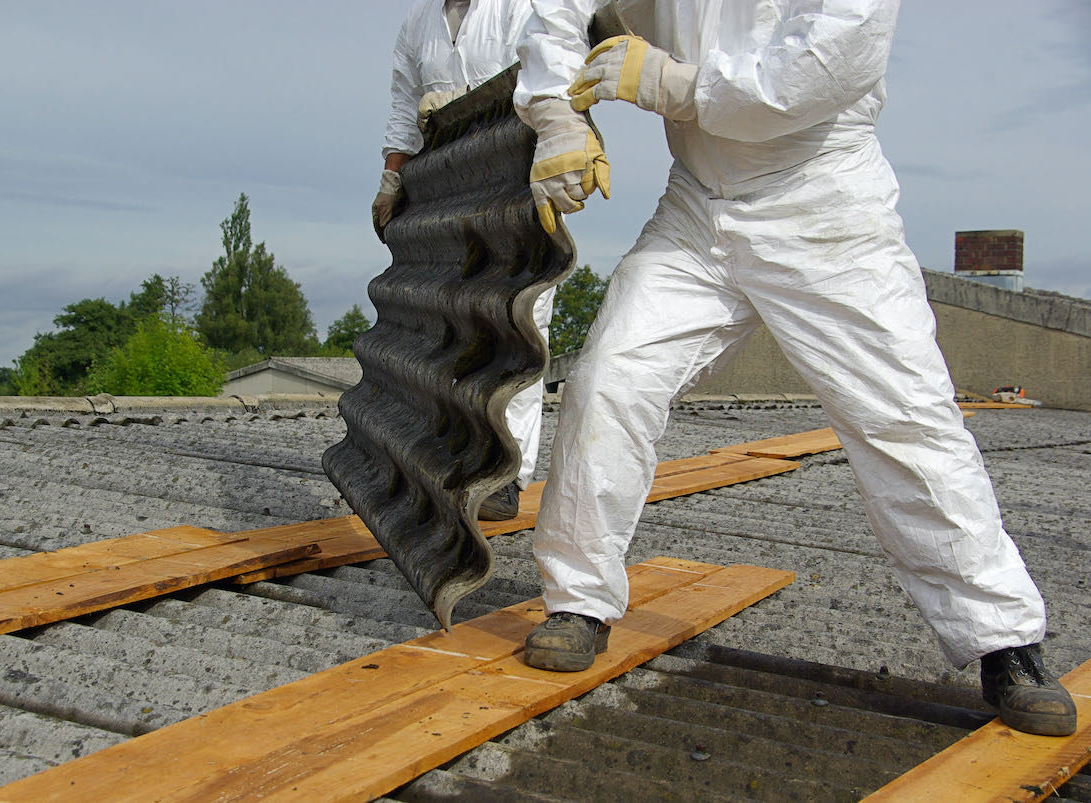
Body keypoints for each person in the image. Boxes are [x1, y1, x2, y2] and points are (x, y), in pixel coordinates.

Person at [512, 0, 1077, 737]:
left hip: (823, 202)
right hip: (697, 207)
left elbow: (812, 73)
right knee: (609, 378)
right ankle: (578, 600)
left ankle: (1004, 639)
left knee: (903, 416)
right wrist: (558, 114)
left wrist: (669, 85)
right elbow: (559, 7)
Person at [374, 0, 549, 521]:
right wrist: (392, 177)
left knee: (519, 322)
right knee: (450, 323)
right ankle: (450, 457)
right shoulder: (419, 23)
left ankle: (507, 473)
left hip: (518, 177)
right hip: (447, 187)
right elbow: (405, 105)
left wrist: (475, 105)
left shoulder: (523, 7)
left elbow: (554, 77)